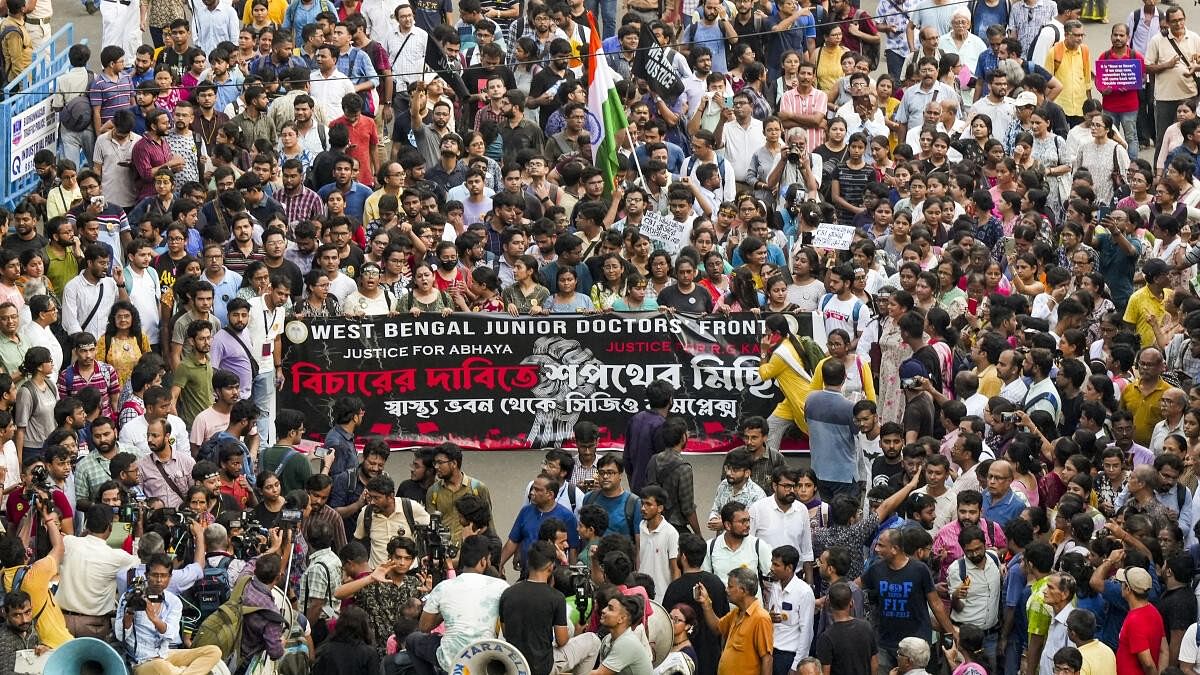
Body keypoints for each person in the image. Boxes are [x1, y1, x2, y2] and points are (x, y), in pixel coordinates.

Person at [406, 535, 511, 675]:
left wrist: (445, 613)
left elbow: (424, 627)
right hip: (486, 658)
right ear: (483, 561)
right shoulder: (502, 586)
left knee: (413, 640)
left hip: (451, 660)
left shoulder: (443, 587)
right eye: (489, 559)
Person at [500, 540, 600, 675]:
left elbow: (506, 633)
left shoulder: (507, 594)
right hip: (543, 667)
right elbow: (562, 641)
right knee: (593, 641)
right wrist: (576, 632)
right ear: (551, 566)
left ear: (529, 564)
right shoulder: (556, 597)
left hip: (515, 665)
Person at [115, 553, 224, 675]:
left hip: (165, 654)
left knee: (213, 651)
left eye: (164, 576)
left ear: (170, 577)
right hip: (142, 661)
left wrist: (155, 619)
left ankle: (180, 672)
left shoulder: (174, 601)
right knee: (160, 666)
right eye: (155, 575)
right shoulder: (130, 597)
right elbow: (120, 636)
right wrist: (129, 612)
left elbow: (170, 635)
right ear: (146, 575)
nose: (159, 580)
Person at [55, 504, 140, 639]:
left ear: (87, 525)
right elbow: (140, 561)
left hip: (62, 622)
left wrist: (85, 533)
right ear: (110, 528)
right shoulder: (117, 556)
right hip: (94, 626)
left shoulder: (68, 542)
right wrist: (139, 528)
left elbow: (75, 539)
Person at [696, 566, 774, 675]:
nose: (726, 590)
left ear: (743, 590)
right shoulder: (736, 613)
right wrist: (706, 604)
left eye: (730, 586)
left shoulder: (761, 618)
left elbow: (767, 659)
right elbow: (717, 628)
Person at [804, 358, 858, 500]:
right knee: (844, 516)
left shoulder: (810, 400)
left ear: (822, 377)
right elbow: (858, 432)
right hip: (843, 475)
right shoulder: (849, 407)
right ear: (844, 377)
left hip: (818, 471)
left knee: (826, 515)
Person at [764, 545, 815, 675]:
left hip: (788, 657)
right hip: (770, 652)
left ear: (789, 568)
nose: (771, 568)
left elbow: (806, 632)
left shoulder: (804, 592)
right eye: (772, 563)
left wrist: (796, 666)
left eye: (776, 565)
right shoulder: (774, 586)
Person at [813, 581, 876, 675]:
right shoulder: (866, 627)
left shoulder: (826, 637)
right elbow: (874, 663)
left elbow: (825, 672)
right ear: (852, 603)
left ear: (829, 605)